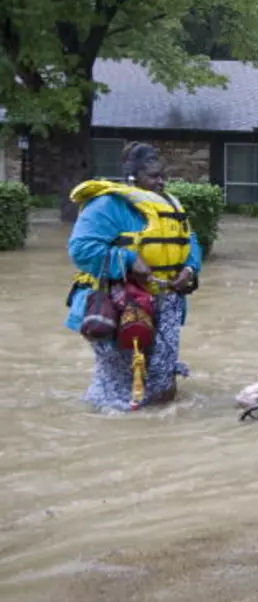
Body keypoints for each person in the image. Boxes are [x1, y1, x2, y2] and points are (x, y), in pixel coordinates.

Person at [65, 142, 203, 411]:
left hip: (167, 305)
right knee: (118, 388)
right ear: (132, 176)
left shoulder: (169, 205)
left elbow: (191, 241)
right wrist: (128, 259)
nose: (161, 182)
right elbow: (80, 249)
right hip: (120, 305)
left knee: (163, 383)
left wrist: (189, 269)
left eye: (163, 175)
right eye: (153, 176)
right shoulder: (107, 205)